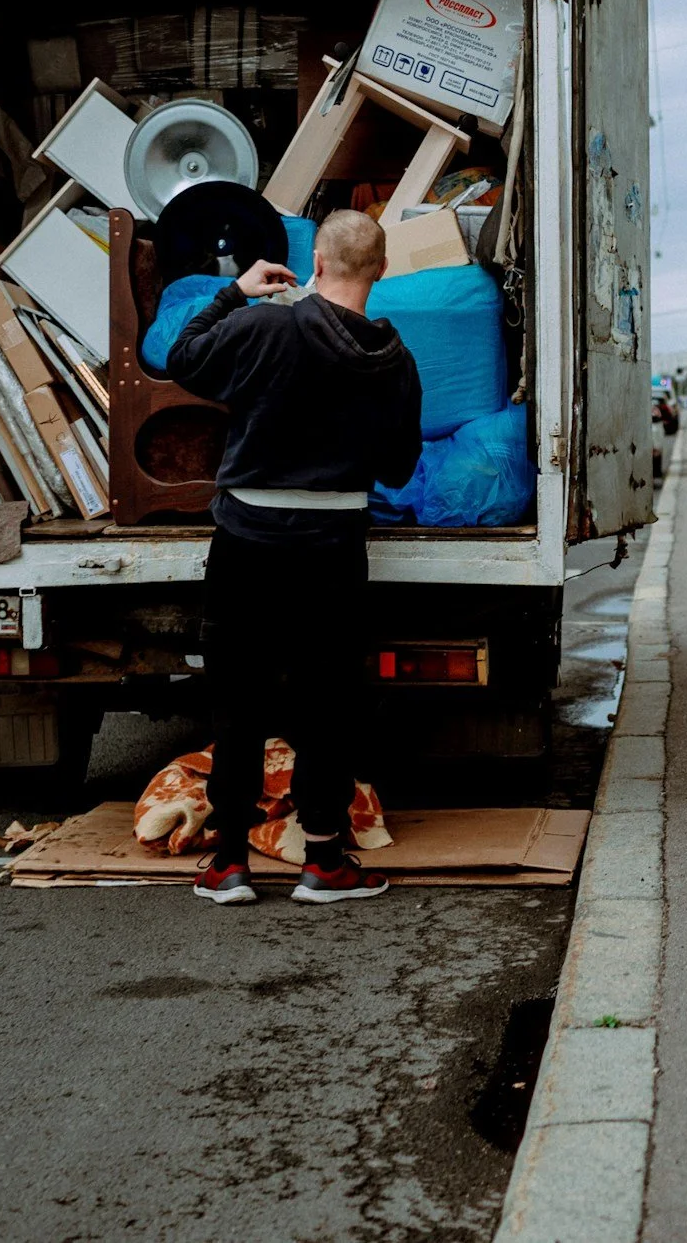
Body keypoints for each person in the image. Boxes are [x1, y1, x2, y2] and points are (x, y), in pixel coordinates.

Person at [165, 209, 423, 907]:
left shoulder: (262, 326)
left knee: (239, 699)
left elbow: (181, 357)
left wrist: (235, 292)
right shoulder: (395, 360)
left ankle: (227, 863)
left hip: (246, 540)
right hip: (334, 546)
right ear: (381, 269)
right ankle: (324, 862)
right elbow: (399, 470)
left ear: (314, 261)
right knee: (327, 704)